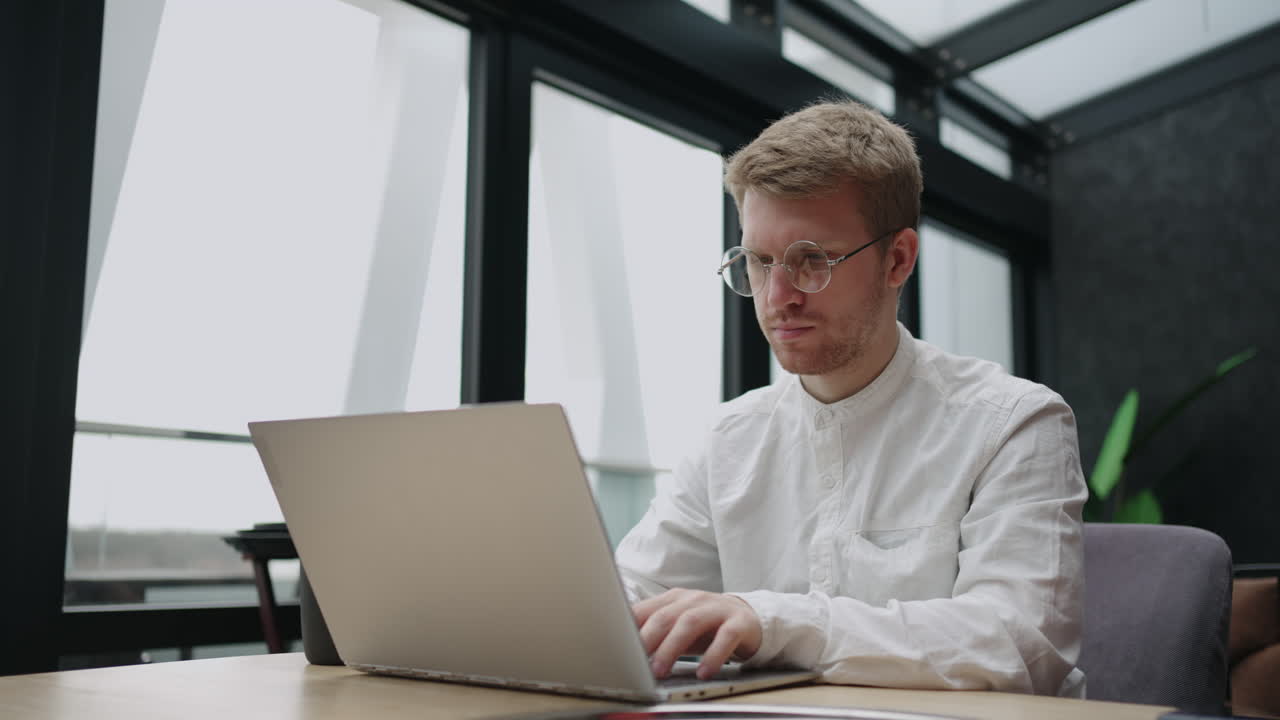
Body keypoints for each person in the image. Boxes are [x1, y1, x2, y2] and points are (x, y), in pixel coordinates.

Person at [614, 100, 1087, 697]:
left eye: (811, 260)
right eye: (759, 262)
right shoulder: (727, 441)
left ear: (897, 260)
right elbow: (630, 597)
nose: (777, 296)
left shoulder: (1014, 422)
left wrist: (772, 621)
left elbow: (1017, 643)